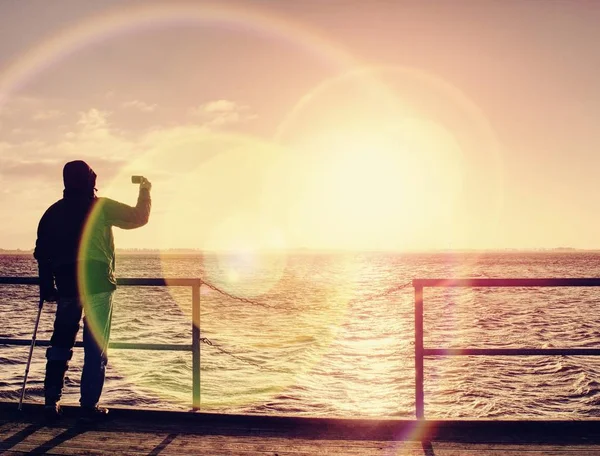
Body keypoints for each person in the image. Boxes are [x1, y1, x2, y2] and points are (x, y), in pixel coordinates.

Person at [34, 160, 151, 421]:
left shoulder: (53, 212)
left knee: (61, 341)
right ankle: (87, 405)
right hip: (98, 281)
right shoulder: (101, 206)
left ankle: (50, 401)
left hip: (67, 283)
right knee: (95, 345)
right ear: (90, 180)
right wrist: (145, 190)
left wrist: (46, 286)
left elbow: (42, 254)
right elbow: (139, 217)